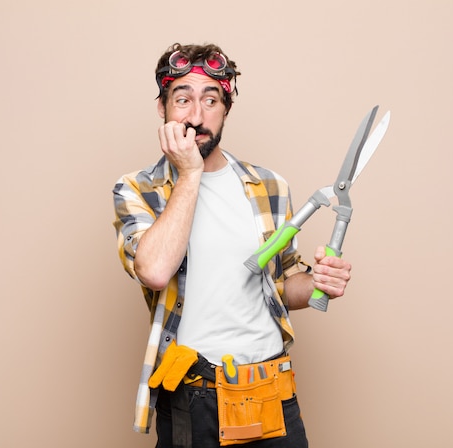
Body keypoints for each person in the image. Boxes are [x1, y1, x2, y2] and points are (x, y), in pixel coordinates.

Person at [112, 43, 352, 448]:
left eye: (211, 100)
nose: (196, 115)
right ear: (162, 108)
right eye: (183, 99)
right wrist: (190, 173)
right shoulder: (137, 188)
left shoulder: (270, 186)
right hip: (194, 393)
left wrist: (317, 283)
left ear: (227, 108)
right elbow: (153, 271)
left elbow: (281, 284)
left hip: (272, 387)